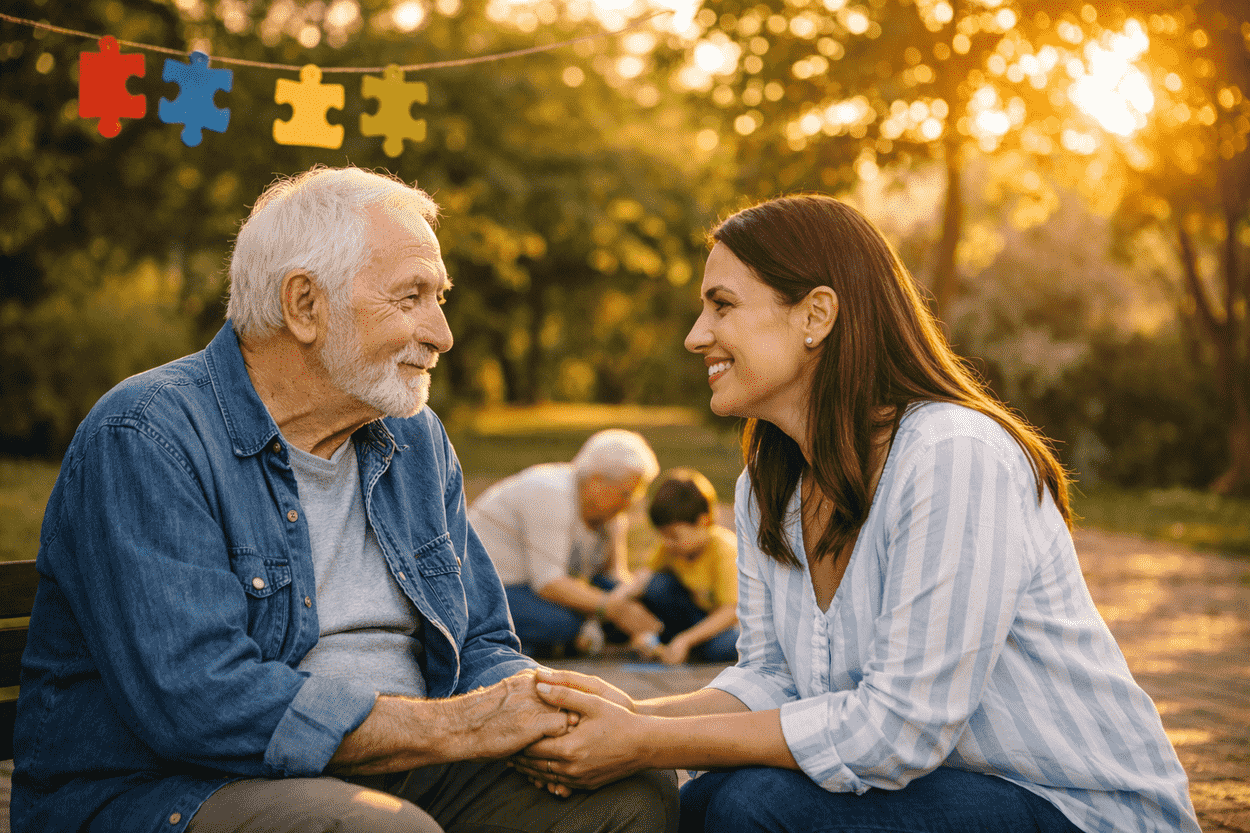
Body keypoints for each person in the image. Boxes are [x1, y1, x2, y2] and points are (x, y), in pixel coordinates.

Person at [11, 165, 676, 833]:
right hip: (176, 789)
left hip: (402, 764)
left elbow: (479, 639)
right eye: (411, 297)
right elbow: (200, 700)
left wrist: (548, 703)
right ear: (304, 305)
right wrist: (459, 725)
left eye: (440, 296)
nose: (442, 333)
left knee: (633, 789)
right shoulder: (148, 435)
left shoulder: (414, 436)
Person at [512, 195, 1202, 833]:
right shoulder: (767, 484)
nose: (697, 335)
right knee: (694, 805)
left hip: (1075, 806)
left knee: (755, 808)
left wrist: (645, 740)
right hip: (937, 791)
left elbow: (898, 730)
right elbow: (770, 680)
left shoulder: (953, 455)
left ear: (816, 314)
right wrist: (621, 714)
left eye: (722, 305)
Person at [469, 430, 663, 658]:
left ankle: (571, 638)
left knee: (635, 601)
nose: (631, 503)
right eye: (626, 494)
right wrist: (615, 609)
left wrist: (631, 597)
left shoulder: (610, 515)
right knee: (562, 622)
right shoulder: (550, 493)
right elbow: (549, 583)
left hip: (536, 586)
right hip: (489, 589)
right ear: (596, 482)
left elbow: (614, 577)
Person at [611, 468, 738, 664]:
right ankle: (667, 644)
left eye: (674, 535)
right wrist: (614, 606)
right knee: (657, 585)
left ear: (703, 521)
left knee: (723, 647)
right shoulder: (670, 547)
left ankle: (685, 645)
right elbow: (643, 579)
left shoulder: (725, 551)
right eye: (663, 535)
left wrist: (686, 640)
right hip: (689, 617)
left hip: (723, 623)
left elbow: (731, 612)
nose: (667, 542)